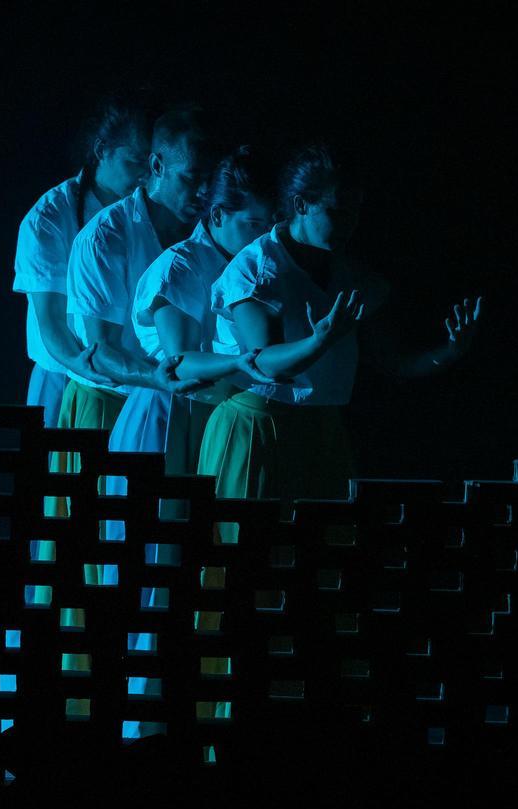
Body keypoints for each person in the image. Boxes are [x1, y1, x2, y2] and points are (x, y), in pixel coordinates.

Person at [199, 140, 483, 513]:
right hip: (257, 430)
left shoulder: (348, 273)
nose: (349, 224)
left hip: (322, 436)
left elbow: (392, 362)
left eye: (355, 212)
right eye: (337, 211)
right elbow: (262, 363)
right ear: (302, 205)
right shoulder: (258, 268)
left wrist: (448, 353)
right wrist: (318, 342)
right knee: (252, 558)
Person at [43, 106, 216, 590]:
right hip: (106, 404)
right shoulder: (105, 236)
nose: (201, 192)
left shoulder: (203, 233)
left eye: (209, 180)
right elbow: (98, 351)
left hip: (182, 405)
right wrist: (158, 377)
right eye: (191, 178)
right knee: (101, 560)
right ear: (156, 167)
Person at [104, 148, 279, 598]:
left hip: (212, 418)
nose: (265, 234)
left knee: (198, 563)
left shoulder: (256, 268)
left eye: (269, 223)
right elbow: (180, 366)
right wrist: (244, 365)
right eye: (255, 224)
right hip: (167, 419)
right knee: (153, 562)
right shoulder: (181, 266)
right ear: (218, 214)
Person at [12, 95, 154, 427]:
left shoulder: (144, 214)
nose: (145, 175)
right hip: (66, 375)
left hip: (137, 380)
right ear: (102, 149)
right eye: (134, 162)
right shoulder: (49, 217)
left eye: (151, 164)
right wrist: (86, 368)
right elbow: (51, 321)